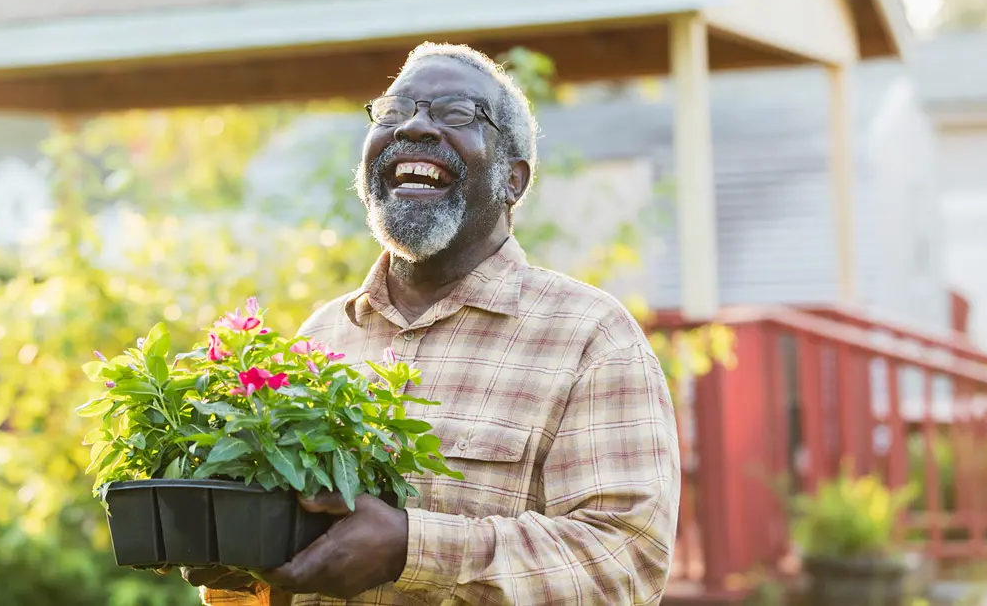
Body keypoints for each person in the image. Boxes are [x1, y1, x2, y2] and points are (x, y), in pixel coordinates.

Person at [185, 42, 680, 605]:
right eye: (394, 112)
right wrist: (237, 568)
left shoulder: (592, 338)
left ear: (513, 181)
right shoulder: (321, 338)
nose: (415, 128)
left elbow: (622, 565)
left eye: (457, 115)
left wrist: (409, 550)